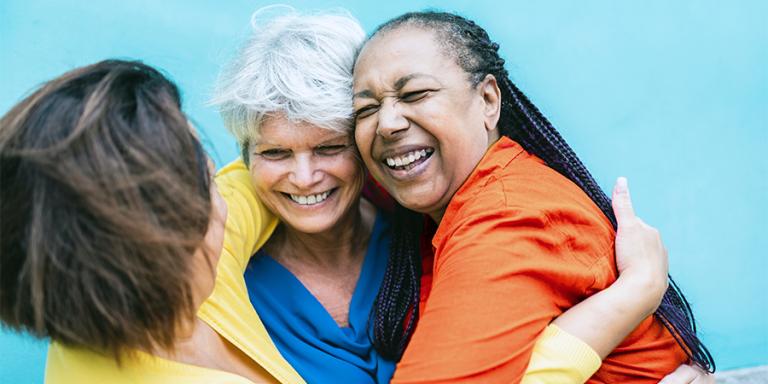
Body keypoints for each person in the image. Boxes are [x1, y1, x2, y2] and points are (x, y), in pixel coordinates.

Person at [210, 8, 712, 384]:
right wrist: (624, 301)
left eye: (329, 147)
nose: (304, 175)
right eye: (275, 153)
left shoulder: (507, 219)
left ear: (488, 100)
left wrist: (614, 314)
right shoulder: (418, 212)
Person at [0, 60, 302, 384]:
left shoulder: (102, 299)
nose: (223, 205)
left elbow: (258, 182)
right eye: (209, 179)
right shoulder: (197, 268)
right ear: (163, 243)